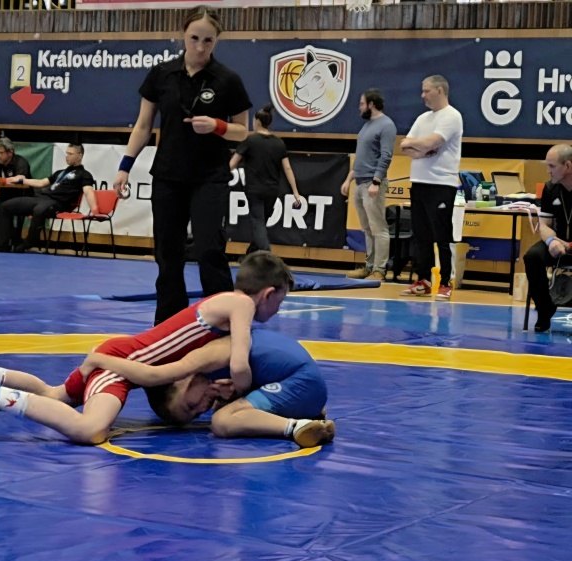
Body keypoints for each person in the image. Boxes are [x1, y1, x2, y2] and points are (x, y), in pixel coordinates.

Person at [0, 251, 292, 444]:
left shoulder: (223, 303)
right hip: (120, 363)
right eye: (279, 302)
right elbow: (240, 366)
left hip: (120, 354)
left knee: (55, 395)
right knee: (90, 429)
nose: (276, 312)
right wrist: (244, 396)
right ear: (267, 293)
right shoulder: (241, 305)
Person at [113, 5, 252, 326]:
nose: (200, 47)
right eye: (194, 39)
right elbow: (143, 125)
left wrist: (217, 125)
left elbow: (243, 131)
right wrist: (124, 166)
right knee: (167, 254)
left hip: (210, 177)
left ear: (217, 40)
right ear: (183, 36)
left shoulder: (228, 79)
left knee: (209, 250)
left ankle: (223, 322)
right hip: (168, 176)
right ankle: (168, 325)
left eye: (208, 40)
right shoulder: (161, 74)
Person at [79, 328, 336, 449]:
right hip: (303, 384)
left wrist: (100, 360)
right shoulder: (210, 367)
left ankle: (296, 426)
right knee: (231, 409)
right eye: (197, 412)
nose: (202, 407)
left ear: (181, 380)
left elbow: (152, 375)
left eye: (191, 405)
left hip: (301, 382)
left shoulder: (201, 359)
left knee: (222, 421)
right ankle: (308, 415)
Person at [400, 75, 463, 300]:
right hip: (420, 182)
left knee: (442, 235)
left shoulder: (452, 116)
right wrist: (421, 148)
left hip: (441, 184)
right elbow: (404, 146)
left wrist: (421, 146)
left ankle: (445, 281)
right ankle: (424, 279)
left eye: (426, 91)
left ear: (440, 90)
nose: (422, 95)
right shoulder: (423, 118)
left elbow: (431, 142)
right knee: (421, 235)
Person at [229, 104, 305, 254]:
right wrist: (296, 192)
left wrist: (222, 178)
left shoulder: (250, 140)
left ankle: (266, 253)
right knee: (261, 223)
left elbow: (232, 163)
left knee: (258, 223)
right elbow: (287, 168)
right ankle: (250, 254)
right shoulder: (278, 143)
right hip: (272, 191)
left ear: (257, 121)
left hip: (254, 190)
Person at [0, 143, 97, 253]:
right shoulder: (60, 173)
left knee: (39, 209)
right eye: (66, 153)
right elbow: (41, 182)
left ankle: (30, 241)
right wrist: (22, 180)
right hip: (42, 199)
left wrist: (95, 210)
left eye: (70, 154)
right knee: (5, 206)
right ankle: (1, 246)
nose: (67, 156)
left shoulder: (85, 175)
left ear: (80, 155)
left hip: (59, 204)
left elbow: (88, 191)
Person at [341, 89, 397, 282]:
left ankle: (379, 270)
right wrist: (349, 178)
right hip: (360, 182)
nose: (360, 107)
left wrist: (376, 181)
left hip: (372, 184)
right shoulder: (366, 126)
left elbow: (386, 155)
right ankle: (369, 266)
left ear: (372, 104)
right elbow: (362, 156)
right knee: (367, 228)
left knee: (378, 228)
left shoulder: (387, 125)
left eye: (362, 103)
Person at [524, 144, 572, 332]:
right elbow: (543, 225)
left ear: (567, 166)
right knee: (532, 256)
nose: (548, 171)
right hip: (558, 243)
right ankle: (545, 309)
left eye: (552, 166)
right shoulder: (550, 188)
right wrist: (552, 241)